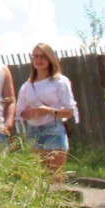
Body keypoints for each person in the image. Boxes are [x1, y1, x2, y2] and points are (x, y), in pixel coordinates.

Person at [16, 43, 78, 181]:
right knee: (36, 179)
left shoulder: (60, 82)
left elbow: (69, 112)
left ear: (50, 59)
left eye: (43, 56)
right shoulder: (26, 86)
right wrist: (28, 113)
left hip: (53, 129)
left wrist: (49, 111)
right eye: (36, 56)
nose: (39, 60)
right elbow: (19, 111)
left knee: (54, 178)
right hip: (32, 131)